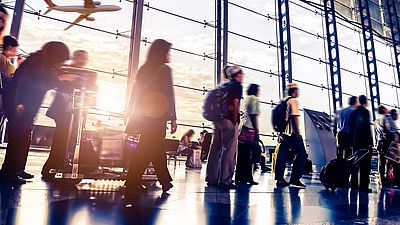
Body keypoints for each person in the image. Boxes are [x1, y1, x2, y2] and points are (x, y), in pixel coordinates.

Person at [0, 42, 71, 184]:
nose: (61, 64)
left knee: (23, 136)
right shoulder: (38, 63)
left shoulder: (40, 61)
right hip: (20, 105)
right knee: (18, 139)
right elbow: (33, 83)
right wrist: (19, 105)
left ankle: (17, 168)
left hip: (24, 105)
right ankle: (9, 172)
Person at [125, 39, 177, 193]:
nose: (170, 55)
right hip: (157, 117)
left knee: (150, 148)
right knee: (150, 148)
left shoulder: (143, 69)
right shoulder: (165, 69)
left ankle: (139, 180)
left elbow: (135, 92)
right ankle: (136, 180)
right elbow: (169, 94)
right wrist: (173, 117)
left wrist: (131, 110)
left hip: (144, 116)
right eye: (168, 52)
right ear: (161, 53)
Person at [41, 50, 91, 179]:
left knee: (69, 139)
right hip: (64, 111)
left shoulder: (82, 74)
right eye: (81, 58)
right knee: (61, 139)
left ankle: (60, 166)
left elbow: (89, 87)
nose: (83, 61)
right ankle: (51, 167)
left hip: (76, 112)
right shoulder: (65, 70)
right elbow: (56, 84)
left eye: (85, 59)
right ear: (75, 58)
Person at [205, 65, 243, 189]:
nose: (242, 76)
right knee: (229, 151)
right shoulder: (236, 85)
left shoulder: (223, 87)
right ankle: (225, 180)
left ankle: (211, 178)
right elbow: (235, 103)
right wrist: (235, 120)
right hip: (229, 120)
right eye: (241, 74)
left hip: (217, 120)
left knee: (215, 149)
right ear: (236, 75)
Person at [274, 83, 307, 188]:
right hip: (291, 134)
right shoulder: (294, 101)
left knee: (282, 156)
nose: (298, 92)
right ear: (294, 91)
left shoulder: (284, 101)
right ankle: (295, 179)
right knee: (302, 154)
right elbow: (295, 117)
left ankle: (279, 179)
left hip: (283, 134)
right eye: (297, 90)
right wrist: (298, 133)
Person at [235, 83, 260, 185]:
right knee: (249, 155)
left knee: (241, 155)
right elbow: (254, 116)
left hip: (242, 128)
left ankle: (239, 177)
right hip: (249, 129)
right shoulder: (254, 99)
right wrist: (257, 130)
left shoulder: (246, 99)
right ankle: (248, 178)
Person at [349, 95, 373, 192]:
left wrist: (351, 140)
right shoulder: (366, 112)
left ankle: (353, 184)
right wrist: (370, 142)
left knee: (354, 163)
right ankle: (363, 186)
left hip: (355, 142)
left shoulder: (353, 113)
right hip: (364, 142)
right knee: (365, 165)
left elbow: (350, 127)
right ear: (365, 102)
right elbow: (367, 128)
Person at [375, 105, 399, 187]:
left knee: (382, 163)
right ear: (384, 110)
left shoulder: (376, 120)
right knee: (394, 162)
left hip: (380, 144)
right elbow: (389, 131)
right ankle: (395, 181)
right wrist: (396, 138)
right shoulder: (387, 118)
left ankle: (382, 180)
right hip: (388, 143)